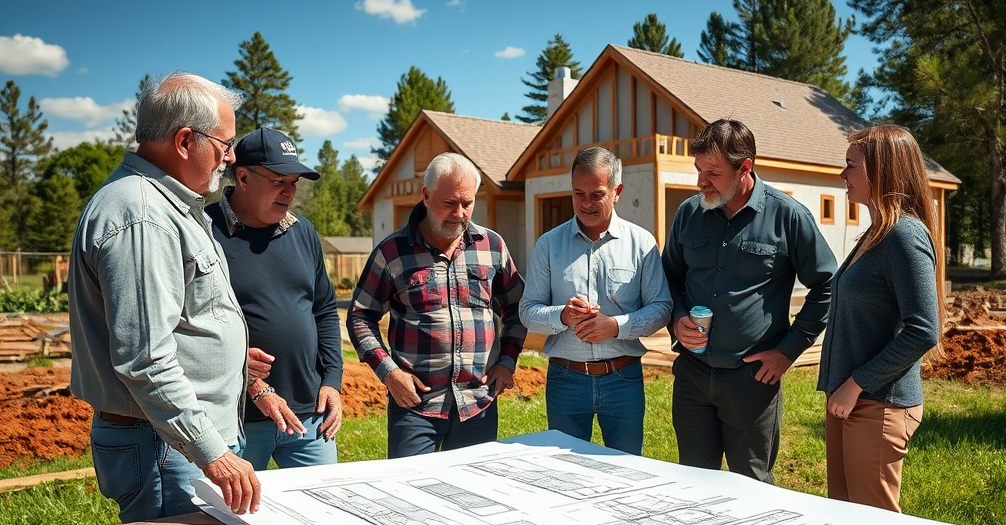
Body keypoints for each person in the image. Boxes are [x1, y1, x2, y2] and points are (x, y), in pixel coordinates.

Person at [68, 72, 259, 525]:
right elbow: (146, 358)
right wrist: (215, 453)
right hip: (167, 450)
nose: (230, 160)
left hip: (172, 442)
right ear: (184, 140)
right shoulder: (145, 214)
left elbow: (173, 327)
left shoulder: (162, 205)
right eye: (225, 146)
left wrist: (231, 361)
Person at [662, 119, 837, 483]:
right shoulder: (689, 214)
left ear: (745, 168)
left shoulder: (788, 216)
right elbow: (670, 278)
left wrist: (787, 351)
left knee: (753, 484)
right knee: (693, 484)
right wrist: (677, 317)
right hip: (692, 377)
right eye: (698, 170)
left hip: (752, 381)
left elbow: (827, 287)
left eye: (712, 172)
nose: (700, 182)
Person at [347, 152, 526, 458]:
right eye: (449, 203)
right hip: (415, 406)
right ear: (427, 197)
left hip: (477, 405)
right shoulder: (392, 252)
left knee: (472, 498)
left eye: (467, 204)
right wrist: (390, 374)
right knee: (410, 497)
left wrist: (507, 361)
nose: (459, 213)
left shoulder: (492, 246)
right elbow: (360, 317)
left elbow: (517, 307)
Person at [818, 125, 943, 512]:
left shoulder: (904, 236)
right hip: (851, 402)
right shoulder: (876, 233)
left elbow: (924, 329)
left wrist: (855, 384)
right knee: (846, 519)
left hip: (878, 404)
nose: (843, 175)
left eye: (850, 165)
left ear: (882, 172)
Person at [207, 127, 343, 471]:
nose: (289, 193)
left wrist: (332, 381)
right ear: (242, 177)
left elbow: (324, 309)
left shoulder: (302, 231)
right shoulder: (204, 230)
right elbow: (188, 325)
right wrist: (251, 382)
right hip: (236, 419)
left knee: (324, 508)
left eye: (294, 183)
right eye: (279, 181)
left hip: (309, 416)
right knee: (232, 518)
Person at [520, 147, 671, 455]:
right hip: (566, 380)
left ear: (617, 191)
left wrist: (615, 326)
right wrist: (562, 315)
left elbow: (661, 308)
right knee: (566, 474)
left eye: (596, 194)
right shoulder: (549, 245)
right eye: (578, 193)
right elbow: (527, 311)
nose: (586, 203)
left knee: (628, 470)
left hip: (623, 379)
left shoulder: (641, 244)